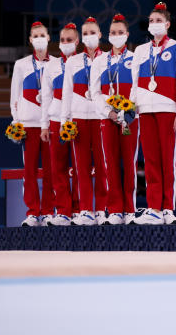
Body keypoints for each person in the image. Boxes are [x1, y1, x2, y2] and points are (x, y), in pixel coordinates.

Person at [131, 2, 176, 224]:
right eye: (151, 21)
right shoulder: (140, 51)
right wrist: (131, 109)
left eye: (158, 21)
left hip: (168, 110)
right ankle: (154, 208)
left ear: (167, 24)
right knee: (151, 161)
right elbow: (134, 83)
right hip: (144, 110)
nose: (154, 24)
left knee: (168, 161)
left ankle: (168, 209)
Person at [90, 14, 140, 224]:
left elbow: (138, 87)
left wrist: (130, 110)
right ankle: (115, 210)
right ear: (108, 36)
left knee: (130, 164)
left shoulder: (136, 58)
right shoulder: (100, 60)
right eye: (113, 33)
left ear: (127, 35)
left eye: (120, 33)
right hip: (107, 119)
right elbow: (95, 92)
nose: (116, 36)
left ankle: (129, 210)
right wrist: (108, 113)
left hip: (130, 118)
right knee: (110, 164)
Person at [60, 16, 107, 225]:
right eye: (85, 33)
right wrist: (64, 122)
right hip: (78, 120)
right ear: (81, 37)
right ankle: (86, 210)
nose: (89, 37)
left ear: (100, 35)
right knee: (82, 168)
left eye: (92, 33)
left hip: (100, 118)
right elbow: (67, 94)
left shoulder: (107, 59)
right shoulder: (73, 62)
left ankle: (103, 209)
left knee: (103, 167)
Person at [10, 21, 57, 226]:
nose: (38, 39)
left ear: (48, 38)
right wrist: (16, 121)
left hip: (50, 124)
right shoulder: (21, 65)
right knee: (29, 171)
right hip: (28, 124)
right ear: (30, 40)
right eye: (34, 36)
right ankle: (32, 212)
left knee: (50, 170)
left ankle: (47, 211)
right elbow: (14, 96)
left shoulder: (56, 63)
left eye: (42, 35)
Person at [40, 22, 80, 226]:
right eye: (63, 40)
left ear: (77, 42)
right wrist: (44, 125)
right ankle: (64, 211)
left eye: (69, 40)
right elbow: (46, 97)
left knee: (80, 167)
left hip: (79, 118)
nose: (65, 43)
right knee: (58, 168)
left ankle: (81, 210)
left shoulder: (83, 62)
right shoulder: (51, 66)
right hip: (56, 120)